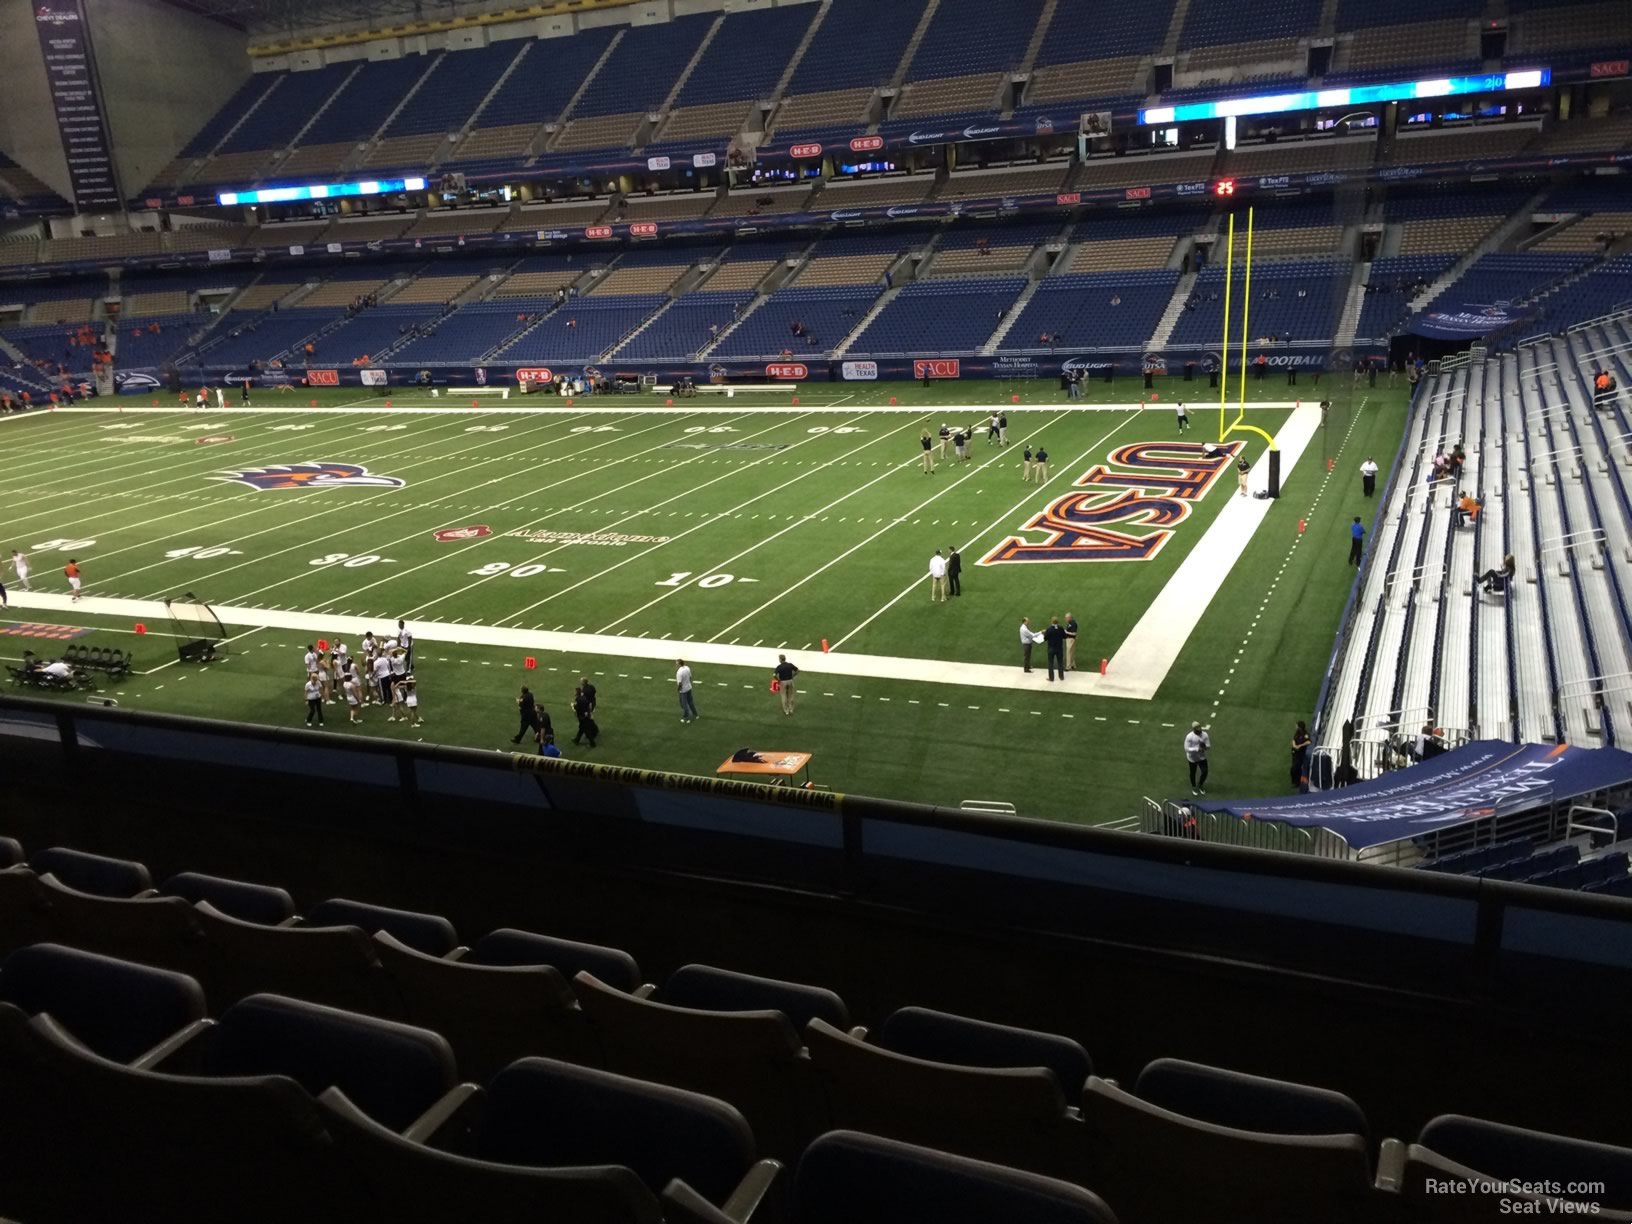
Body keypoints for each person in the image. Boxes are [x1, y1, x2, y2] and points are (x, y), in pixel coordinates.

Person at [1185, 721, 1211, 795]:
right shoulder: (1189, 737)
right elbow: (1186, 749)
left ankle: (1200, 784)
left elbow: (1208, 746)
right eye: (1197, 728)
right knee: (1193, 773)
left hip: (1202, 757)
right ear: (1194, 729)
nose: (1199, 729)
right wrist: (1197, 749)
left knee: (1205, 772)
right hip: (1192, 758)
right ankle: (1194, 786)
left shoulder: (1205, 735)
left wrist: (1204, 747)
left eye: (1200, 727)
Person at [572, 681, 598, 746]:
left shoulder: (578, 699)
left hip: (582, 717)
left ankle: (592, 743)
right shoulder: (584, 698)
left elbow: (577, 709)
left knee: (585, 730)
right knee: (582, 728)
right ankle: (577, 740)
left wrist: (572, 706)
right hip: (586, 715)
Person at [1043, 616, 1067, 681]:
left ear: (1052, 622)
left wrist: (1045, 633)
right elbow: (1065, 636)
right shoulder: (1061, 628)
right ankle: (1061, 676)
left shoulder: (1049, 629)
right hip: (1059, 648)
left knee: (1050, 663)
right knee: (1060, 663)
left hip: (1051, 648)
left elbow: (1045, 638)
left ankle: (1051, 678)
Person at [1291, 721, 1311, 791]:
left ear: (1300, 727)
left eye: (1297, 726)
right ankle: (1295, 781)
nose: (1296, 727)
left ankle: (1297, 782)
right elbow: (1293, 739)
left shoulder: (1305, 734)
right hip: (1295, 753)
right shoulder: (1297, 732)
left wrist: (1300, 745)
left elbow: (1308, 741)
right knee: (1294, 768)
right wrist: (1294, 745)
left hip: (1300, 754)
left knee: (1295, 768)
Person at [676, 659, 698, 723]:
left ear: (679, 664)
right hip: (689, 687)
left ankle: (686, 717)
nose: (676, 665)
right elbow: (690, 677)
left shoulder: (679, 672)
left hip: (683, 690)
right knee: (690, 702)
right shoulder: (687, 668)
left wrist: (679, 689)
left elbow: (680, 683)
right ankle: (695, 714)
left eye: (677, 664)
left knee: (684, 704)